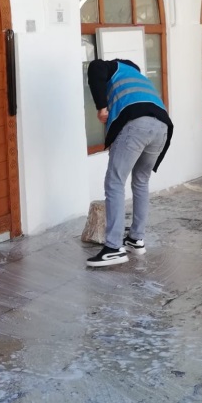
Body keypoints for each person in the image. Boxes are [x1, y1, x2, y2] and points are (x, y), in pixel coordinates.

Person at [85, 57, 173, 268]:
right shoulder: (138, 77)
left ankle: (113, 248)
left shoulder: (112, 67)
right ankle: (136, 238)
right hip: (162, 126)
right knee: (141, 181)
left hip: (137, 124)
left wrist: (101, 107)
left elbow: (95, 67)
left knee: (115, 182)